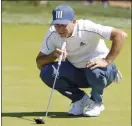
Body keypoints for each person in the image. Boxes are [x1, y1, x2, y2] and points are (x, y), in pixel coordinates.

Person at [36, 5, 127, 117]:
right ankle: (80, 99)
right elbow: (39, 63)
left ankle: (96, 102)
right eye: (57, 25)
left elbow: (120, 35)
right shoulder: (52, 34)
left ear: (73, 22)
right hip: (77, 71)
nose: (60, 30)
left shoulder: (86, 27)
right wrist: (53, 54)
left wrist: (107, 61)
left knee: (94, 70)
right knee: (47, 72)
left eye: (63, 25)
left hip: (102, 71)